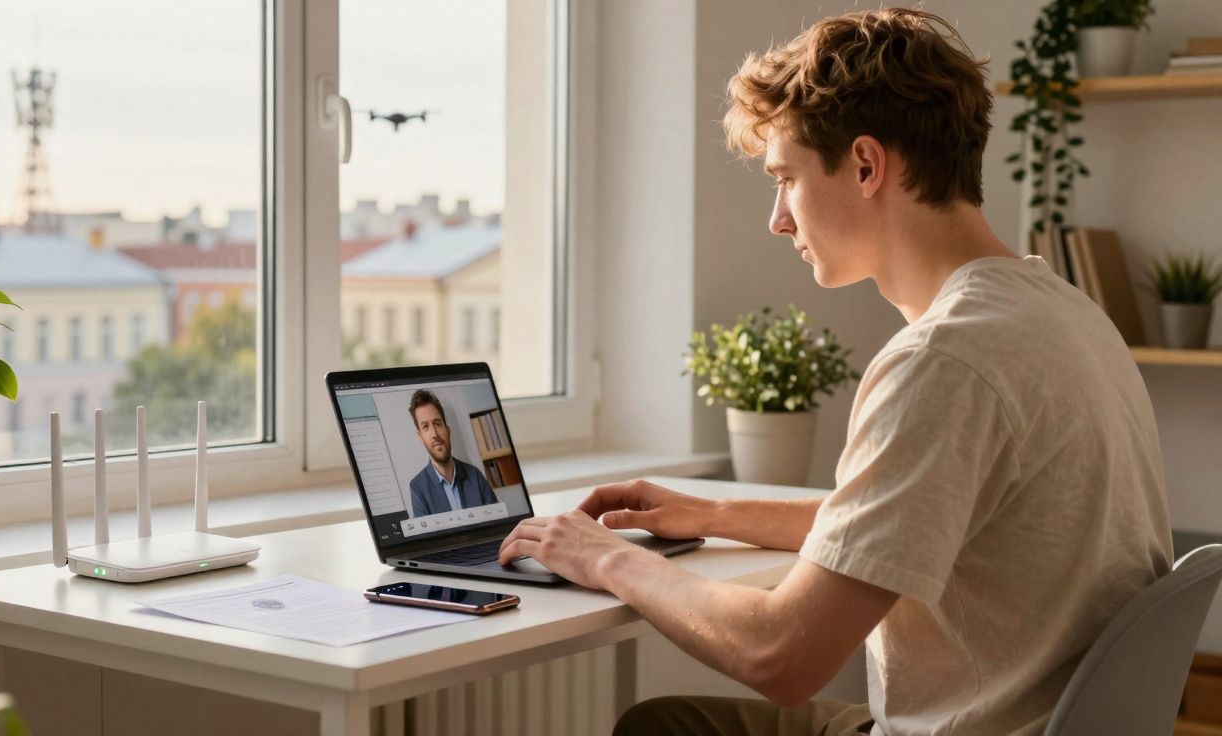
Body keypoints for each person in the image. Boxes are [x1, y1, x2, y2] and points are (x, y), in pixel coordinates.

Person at [497, 8, 1172, 735]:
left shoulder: (943, 361)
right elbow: (936, 520)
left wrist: (605, 559)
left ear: (866, 164)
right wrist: (716, 515)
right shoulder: (1064, 313)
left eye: (785, 179)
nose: (778, 219)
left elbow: (782, 656)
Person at [407, 389, 498, 518]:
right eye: (425, 427)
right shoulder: (417, 488)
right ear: (420, 436)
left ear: (447, 430)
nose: (434, 434)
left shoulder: (475, 475)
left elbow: (497, 524)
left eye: (437, 424)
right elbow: (427, 538)